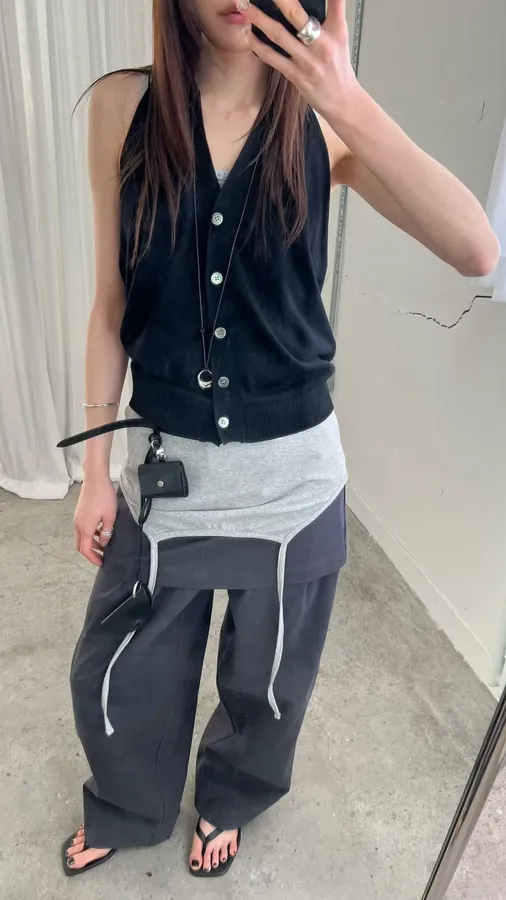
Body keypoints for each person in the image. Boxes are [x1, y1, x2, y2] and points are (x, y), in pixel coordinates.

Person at [62, 0, 499, 880]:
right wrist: (95, 470)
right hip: (168, 474)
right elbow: (110, 306)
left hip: (296, 483)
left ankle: (230, 799)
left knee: (268, 682)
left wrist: (351, 104)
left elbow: (476, 249)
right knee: (121, 666)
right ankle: (130, 803)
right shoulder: (121, 108)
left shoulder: (328, 127)